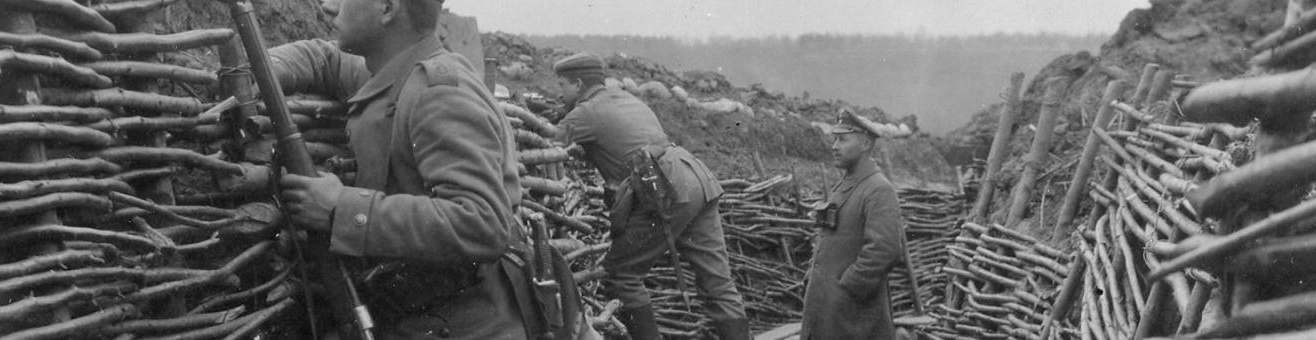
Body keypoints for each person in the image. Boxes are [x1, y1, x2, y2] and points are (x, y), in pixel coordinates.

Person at [273, 0, 592, 338]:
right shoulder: (394, 69)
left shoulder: (438, 93)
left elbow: (483, 220)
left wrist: (342, 209)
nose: (327, 6)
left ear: (387, 9)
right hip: (424, 312)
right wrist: (266, 69)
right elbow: (327, 58)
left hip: (474, 324)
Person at [551, 52, 752, 340]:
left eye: (562, 86)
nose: (560, 93)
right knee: (717, 282)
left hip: (665, 186)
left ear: (579, 84)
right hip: (695, 176)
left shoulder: (586, 113)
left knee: (621, 275)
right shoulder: (623, 97)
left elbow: (552, 138)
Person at [801, 109, 905, 340]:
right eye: (834, 139)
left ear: (866, 143)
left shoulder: (878, 189)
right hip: (828, 313)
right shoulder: (845, 185)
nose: (834, 146)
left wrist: (847, 288)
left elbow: (885, 250)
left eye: (842, 139)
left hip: (852, 318)